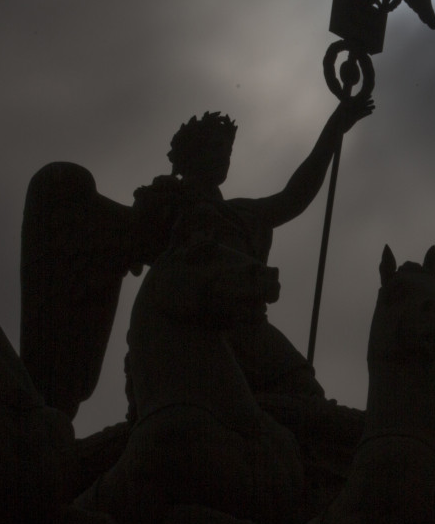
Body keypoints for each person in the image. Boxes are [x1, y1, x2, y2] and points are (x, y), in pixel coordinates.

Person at [130, 97, 373, 497]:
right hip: (193, 337)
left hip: (251, 331)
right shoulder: (166, 203)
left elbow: (295, 195)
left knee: (302, 389)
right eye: (214, 149)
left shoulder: (244, 213)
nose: (223, 159)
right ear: (188, 157)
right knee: (298, 397)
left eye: (227, 151)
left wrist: (334, 130)